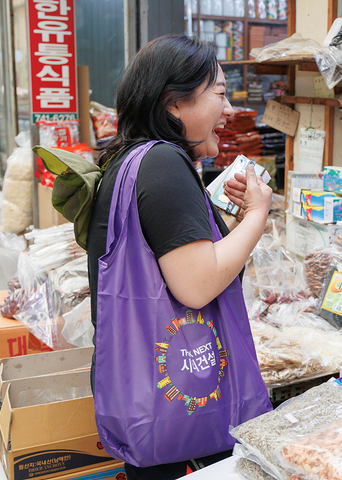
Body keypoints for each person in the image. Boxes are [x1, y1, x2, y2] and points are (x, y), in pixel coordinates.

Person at [87, 35, 271, 479]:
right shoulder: (164, 164)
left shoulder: (129, 160)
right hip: (176, 414)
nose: (228, 110)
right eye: (221, 94)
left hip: (144, 395)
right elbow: (197, 284)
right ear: (173, 103)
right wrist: (258, 214)